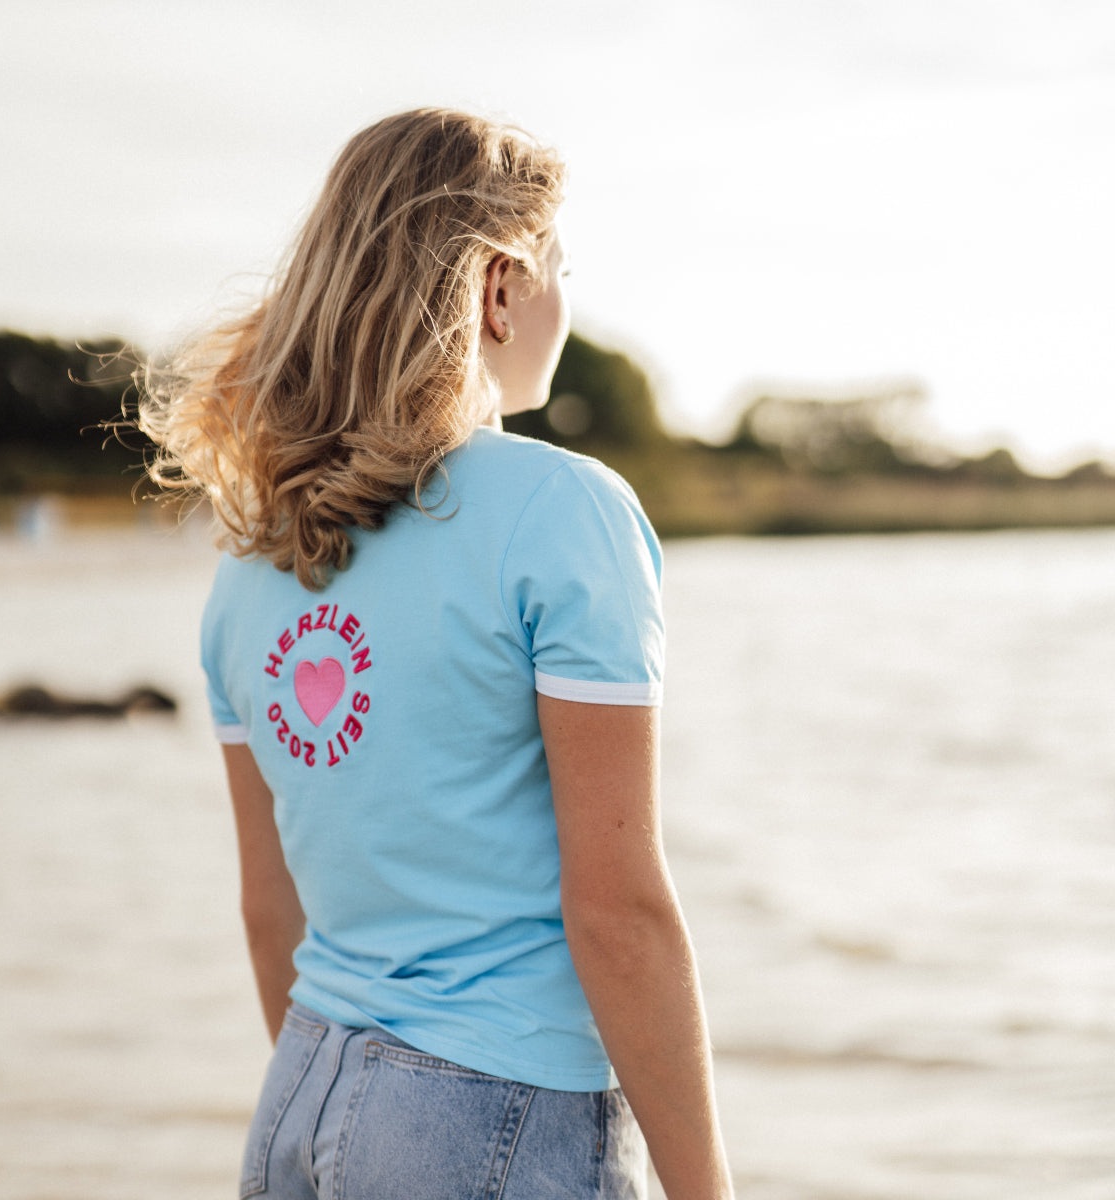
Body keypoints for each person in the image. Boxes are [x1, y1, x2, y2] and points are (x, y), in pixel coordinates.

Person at [138, 107, 733, 1200]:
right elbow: (619, 912)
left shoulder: (249, 558)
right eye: (557, 266)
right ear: (499, 286)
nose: (563, 299)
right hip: (495, 1113)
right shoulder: (564, 511)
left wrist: (346, 1116)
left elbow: (271, 911)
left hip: (299, 1096)